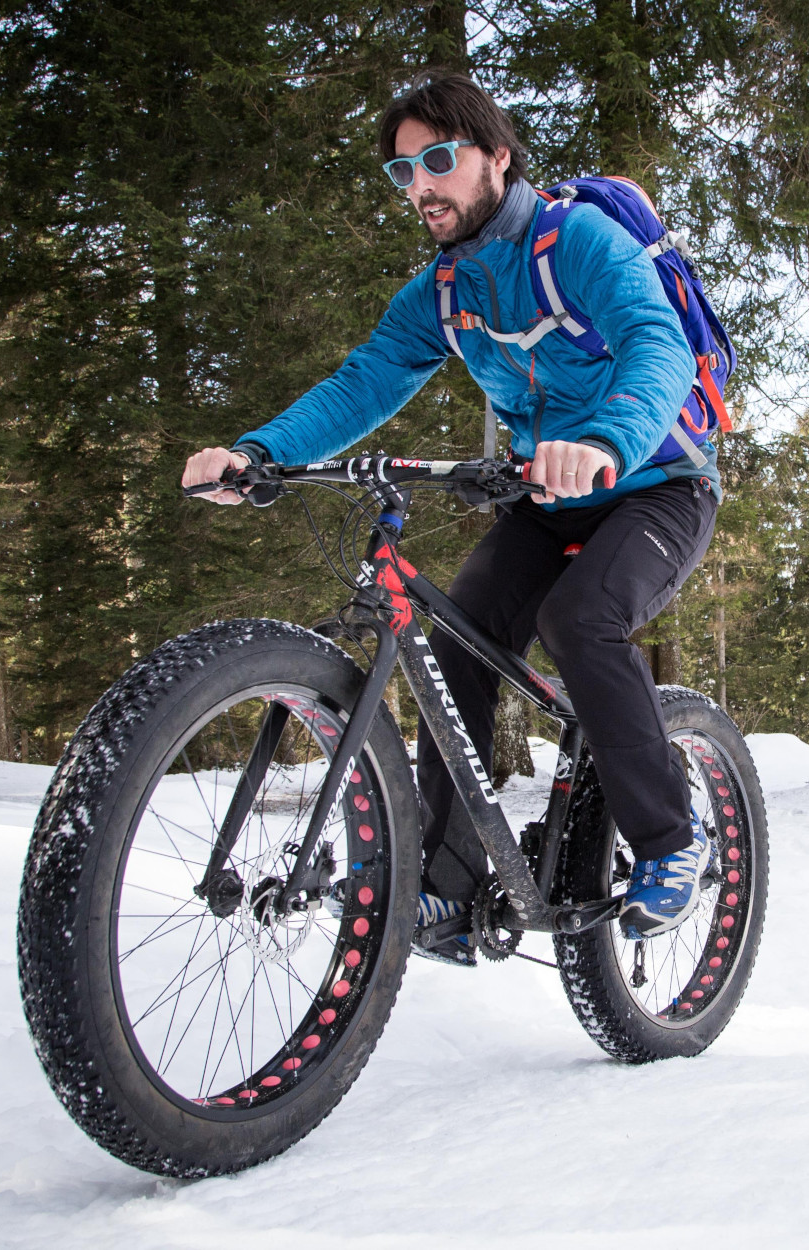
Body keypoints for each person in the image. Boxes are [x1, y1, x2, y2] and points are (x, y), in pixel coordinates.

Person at [180, 75, 718, 959]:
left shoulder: (576, 241)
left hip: (657, 482)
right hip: (544, 498)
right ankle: (452, 890)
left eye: (439, 159)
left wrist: (609, 440)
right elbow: (367, 378)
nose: (421, 186)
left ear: (495, 157)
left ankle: (671, 838)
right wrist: (259, 453)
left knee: (579, 618)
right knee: (460, 637)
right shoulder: (442, 289)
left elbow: (654, 344)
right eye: (403, 172)